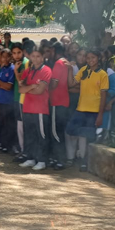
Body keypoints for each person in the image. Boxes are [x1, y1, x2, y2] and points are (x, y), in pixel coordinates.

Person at [66, 50, 109, 172]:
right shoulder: (84, 70)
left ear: (98, 58)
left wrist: (100, 115)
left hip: (93, 111)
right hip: (80, 108)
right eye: (88, 58)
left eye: (93, 57)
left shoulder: (103, 74)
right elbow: (71, 83)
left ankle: (84, 162)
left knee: (86, 137)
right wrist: (70, 70)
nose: (90, 60)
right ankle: (97, 135)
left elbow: (103, 96)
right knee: (70, 130)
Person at [18, 47, 53, 170]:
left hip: (40, 109)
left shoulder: (46, 70)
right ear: (30, 57)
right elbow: (20, 89)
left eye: (38, 56)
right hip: (27, 107)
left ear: (43, 57)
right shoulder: (28, 71)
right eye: (33, 56)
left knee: (41, 135)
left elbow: (40, 90)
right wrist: (32, 86)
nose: (35, 59)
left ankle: (42, 160)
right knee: (29, 134)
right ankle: (30, 158)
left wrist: (28, 88)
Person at [48, 42, 71, 170]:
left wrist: (45, 87)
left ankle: (60, 159)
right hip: (63, 101)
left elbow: (54, 84)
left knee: (55, 132)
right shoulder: (65, 62)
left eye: (51, 51)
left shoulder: (58, 63)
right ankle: (58, 158)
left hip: (57, 102)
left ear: (54, 50)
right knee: (59, 131)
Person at [0, 48, 16, 154]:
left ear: (11, 57)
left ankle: (8, 145)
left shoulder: (12, 69)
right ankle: (2, 143)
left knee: (9, 124)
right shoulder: (2, 68)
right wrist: (0, 83)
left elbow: (8, 87)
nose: (5, 59)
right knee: (1, 122)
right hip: (0, 99)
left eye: (7, 56)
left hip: (8, 101)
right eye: (3, 57)